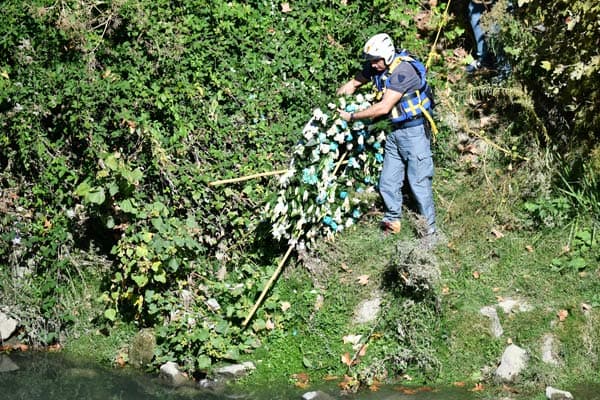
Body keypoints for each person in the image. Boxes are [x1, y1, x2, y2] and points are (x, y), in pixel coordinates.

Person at [336, 33, 437, 238]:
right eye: (370, 61)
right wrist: (334, 103)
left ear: (387, 56)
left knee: (419, 184)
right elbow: (353, 84)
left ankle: (430, 234)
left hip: (414, 133)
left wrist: (352, 116)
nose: (372, 66)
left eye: (375, 61)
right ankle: (392, 223)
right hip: (394, 133)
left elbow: (383, 107)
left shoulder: (403, 71)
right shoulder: (377, 68)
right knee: (388, 182)